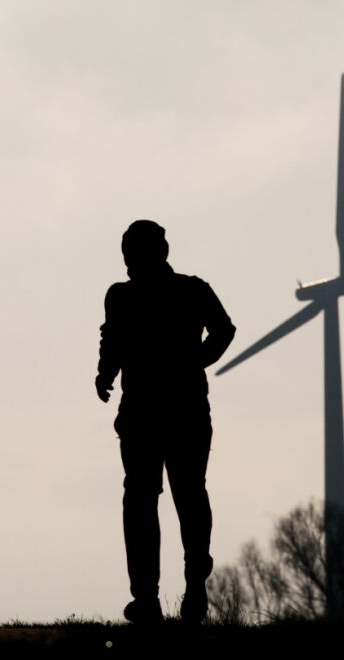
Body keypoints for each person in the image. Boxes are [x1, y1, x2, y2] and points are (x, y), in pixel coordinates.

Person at [95, 220, 235, 624]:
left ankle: (180, 586)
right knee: (156, 498)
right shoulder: (125, 296)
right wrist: (106, 372)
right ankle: (151, 596)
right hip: (155, 413)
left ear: (156, 254)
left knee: (173, 497)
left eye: (133, 253)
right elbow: (112, 339)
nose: (128, 262)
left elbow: (224, 330)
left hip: (169, 412)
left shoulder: (188, 290)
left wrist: (195, 361)